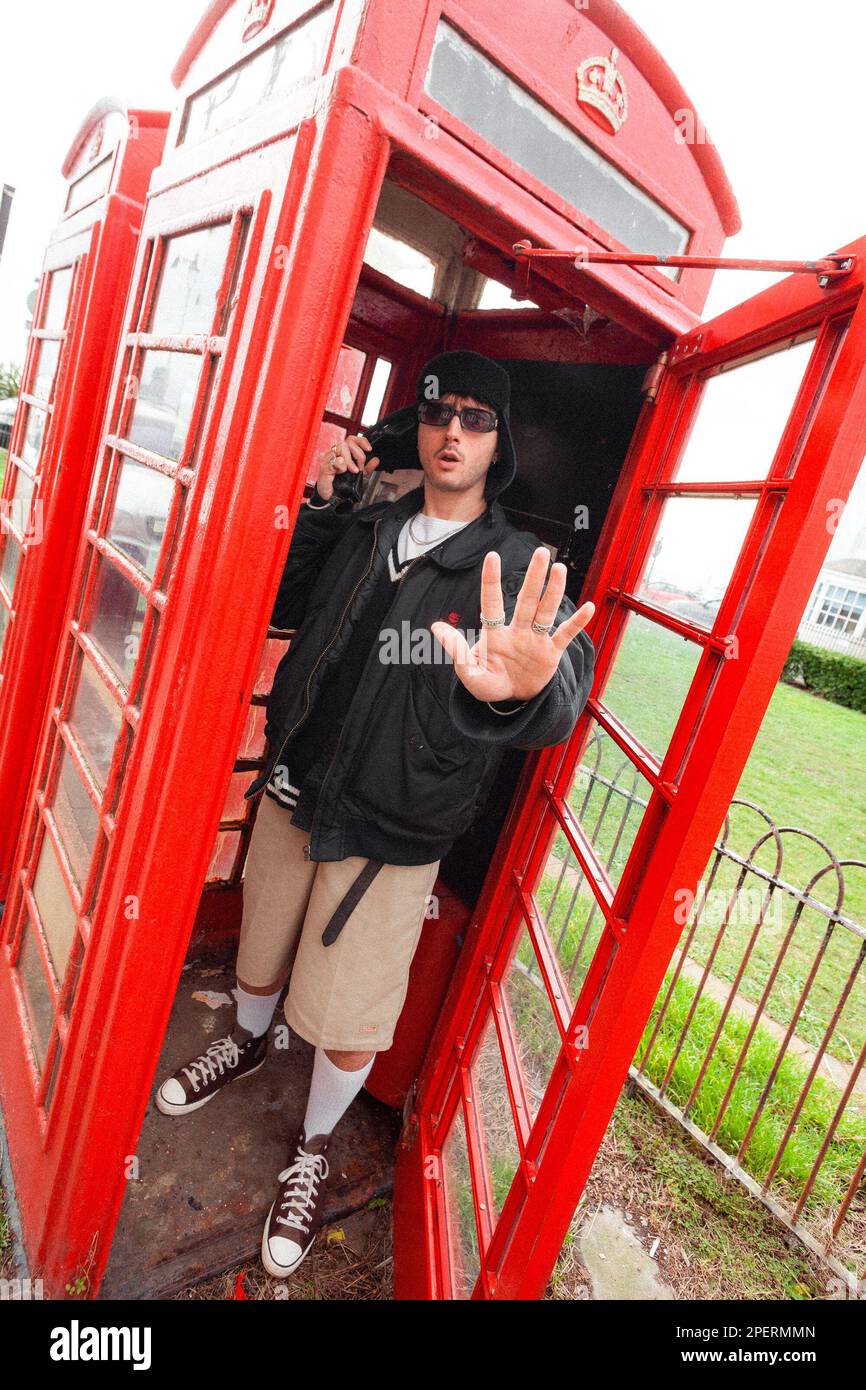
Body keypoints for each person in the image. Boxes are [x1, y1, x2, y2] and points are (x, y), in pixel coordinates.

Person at [154, 350, 595, 1279]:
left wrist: (521, 694)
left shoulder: (516, 566)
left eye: (478, 418)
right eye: (440, 412)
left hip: (395, 828)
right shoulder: (367, 525)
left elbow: (554, 696)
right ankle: (242, 1039)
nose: (455, 430)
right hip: (294, 785)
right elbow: (275, 606)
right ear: (418, 425)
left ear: (498, 442)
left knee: (351, 1012)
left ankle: (311, 1147)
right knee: (262, 948)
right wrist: (322, 507)